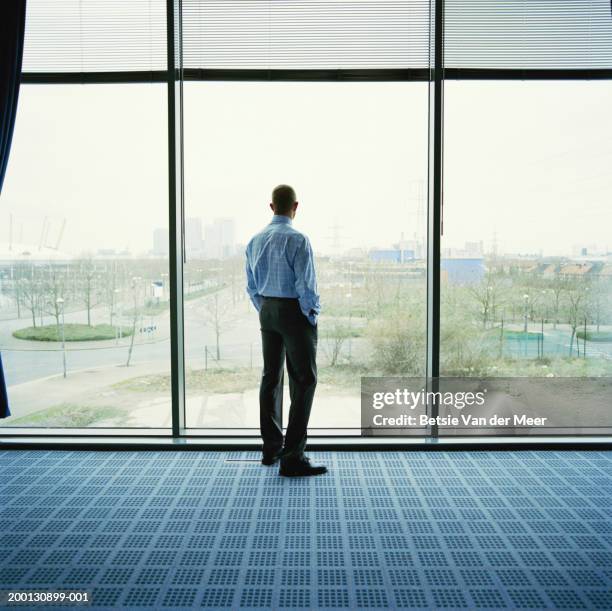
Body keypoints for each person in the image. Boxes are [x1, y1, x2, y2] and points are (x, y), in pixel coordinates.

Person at [245, 184, 327, 477]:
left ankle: (271, 449)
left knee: (271, 378)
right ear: (296, 206)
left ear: (271, 207)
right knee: (304, 380)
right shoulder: (298, 240)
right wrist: (311, 313)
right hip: (294, 312)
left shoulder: (255, 241)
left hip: (267, 310)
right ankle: (293, 457)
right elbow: (306, 285)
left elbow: (251, 287)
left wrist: (266, 309)